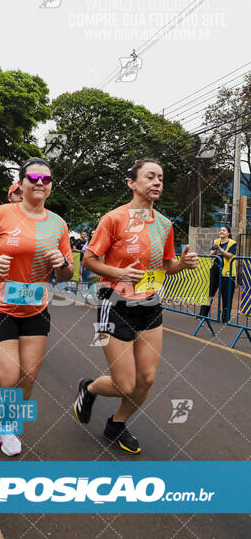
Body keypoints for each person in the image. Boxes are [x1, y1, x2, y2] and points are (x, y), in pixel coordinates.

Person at [73, 158, 198, 454]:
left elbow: (167, 265)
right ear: (132, 183)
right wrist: (119, 273)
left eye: (161, 178)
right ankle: (88, 389)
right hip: (116, 304)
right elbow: (89, 260)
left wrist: (183, 264)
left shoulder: (165, 224)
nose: (157, 182)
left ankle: (116, 425)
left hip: (151, 304)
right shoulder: (114, 219)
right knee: (125, 384)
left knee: (147, 379)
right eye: (150, 177)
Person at [0, 157, 73, 456]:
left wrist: (62, 263)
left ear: (50, 185)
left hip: (35, 308)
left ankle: (5, 425)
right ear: (22, 183)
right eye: (34, 178)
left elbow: (68, 274)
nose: (40, 183)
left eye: (46, 179)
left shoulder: (58, 224)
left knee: (27, 378)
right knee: (7, 377)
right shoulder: (1, 214)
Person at [199, 225, 236, 323]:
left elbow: (229, 256)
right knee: (210, 292)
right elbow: (211, 254)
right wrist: (216, 249)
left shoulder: (232, 243)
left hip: (227, 272)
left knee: (226, 295)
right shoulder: (215, 241)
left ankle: (225, 319)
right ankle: (203, 315)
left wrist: (219, 248)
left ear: (228, 233)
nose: (221, 231)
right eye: (220, 230)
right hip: (215, 269)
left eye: (223, 230)